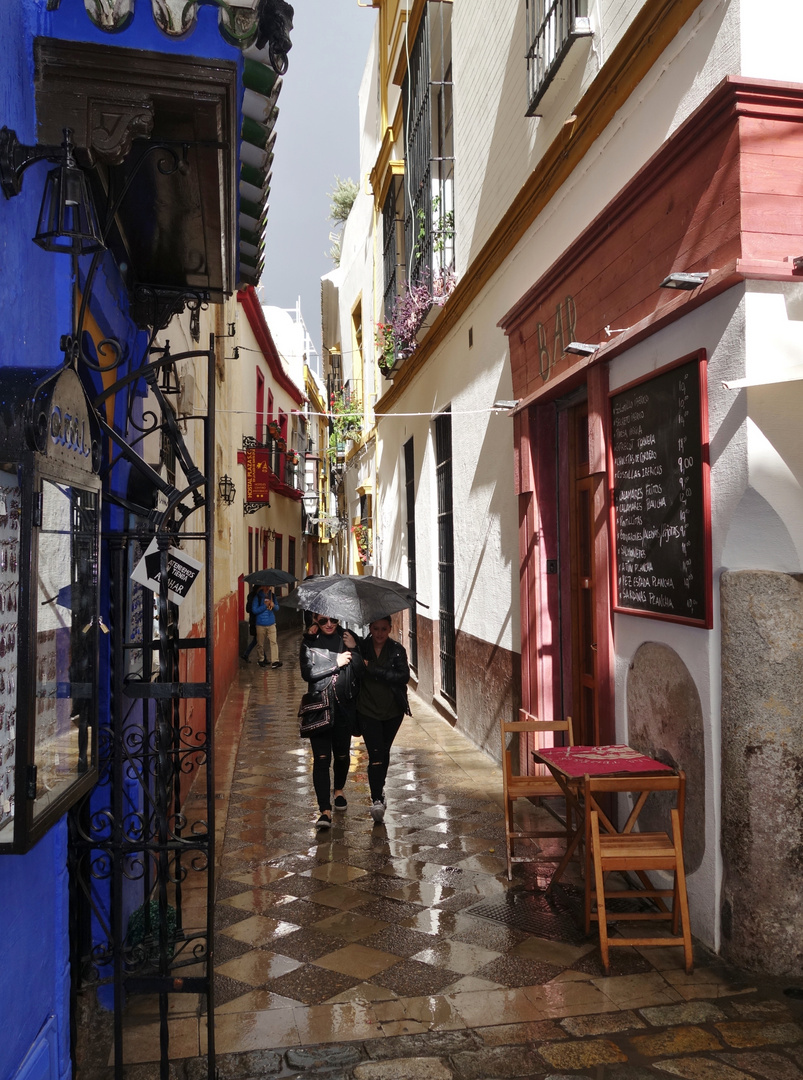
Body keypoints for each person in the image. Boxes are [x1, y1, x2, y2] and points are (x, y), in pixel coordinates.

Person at [300, 614, 363, 829]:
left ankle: (338, 790)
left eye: (333, 620)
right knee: (321, 759)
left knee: (343, 754)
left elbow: (361, 671)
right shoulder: (309, 641)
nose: (329, 624)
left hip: (344, 709)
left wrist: (353, 650)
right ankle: (324, 810)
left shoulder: (349, 638)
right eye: (323, 620)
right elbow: (307, 673)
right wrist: (335, 663)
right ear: (316, 620)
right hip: (319, 708)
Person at [356, 615, 411, 823]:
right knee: (375, 754)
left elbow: (403, 676)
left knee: (384, 751)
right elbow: (356, 669)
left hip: (392, 711)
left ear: (389, 629)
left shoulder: (397, 649)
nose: (379, 633)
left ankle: (380, 786)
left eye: (384, 629)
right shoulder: (362, 648)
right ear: (370, 628)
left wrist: (374, 669)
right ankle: (377, 798)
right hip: (367, 709)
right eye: (376, 629)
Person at [252, 587, 282, 668]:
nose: (268, 588)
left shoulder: (272, 596)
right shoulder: (257, 597)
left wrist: (273, 605)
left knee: (273, 642)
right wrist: (264, 606)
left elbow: (277, 608)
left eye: (269, 587)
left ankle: (275, 661)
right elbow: (254, 610)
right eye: (266, 587)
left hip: (271, 622)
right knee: (260, 643)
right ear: (262, 587)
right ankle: (261, 659)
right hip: (260, 623)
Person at [242, 585, 259, 661]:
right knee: (257, 639)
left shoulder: (251, 596)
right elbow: (249, 609)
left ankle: (246, 654)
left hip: (254, 621)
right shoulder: (254, 597)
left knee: (258, 639)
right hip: (255, 621)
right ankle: (246, 654)